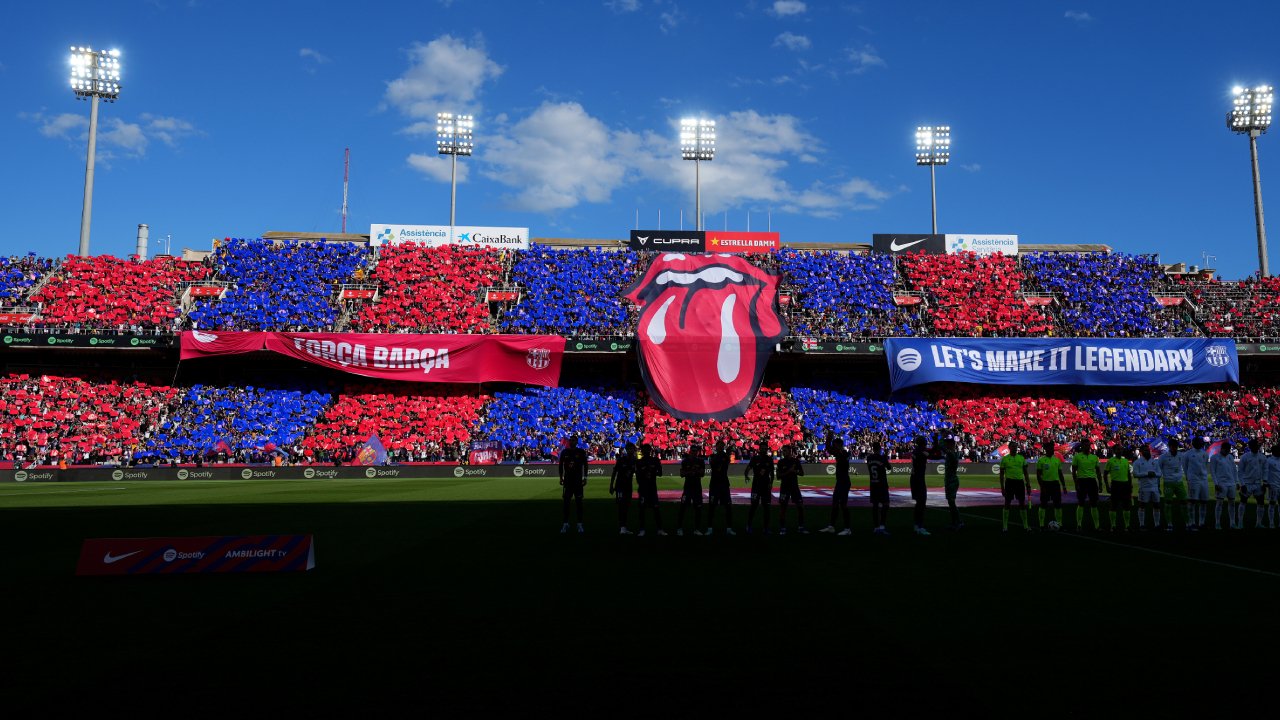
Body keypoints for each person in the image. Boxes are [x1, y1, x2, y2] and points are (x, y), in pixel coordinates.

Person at [820, 437, 853, 535]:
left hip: (844, 482)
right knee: (835, 504)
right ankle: (831, 526)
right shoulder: (843, 453)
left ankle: (847, 529)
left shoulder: (842, 453)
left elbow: (829, 449)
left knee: (843, 505)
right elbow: (830, 449)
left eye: (834, 445)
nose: (833, 447)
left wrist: (828, 437)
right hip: (841, 481)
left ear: (838, 445)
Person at [558, 436, 589, 534]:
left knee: (579, 503)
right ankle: (565, 523)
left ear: (576, 442)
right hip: (567, 482)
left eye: (574, 440)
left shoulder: (581, 452)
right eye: (570, 440)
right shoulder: (564, 452)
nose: (572, 442)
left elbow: (585, 465)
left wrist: (585, 477)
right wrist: (561, 477)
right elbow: (560, 465)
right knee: (566, 503)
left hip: (578, 482)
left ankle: (579, 524)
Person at [1156, 438, 1188, 531]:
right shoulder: (1163, 457)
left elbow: (1185, 466)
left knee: (1184, 502)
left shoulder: (1181, 455)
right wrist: (1158, 485)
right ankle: (1169, 524)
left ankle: (1187, 523)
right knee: (1168, 503)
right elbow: (1158, 471)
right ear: (1169, 447)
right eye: (1172, 446)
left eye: (1175, 447)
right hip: (1168, 483)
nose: (1174, 448)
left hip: (1179, 482)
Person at [1071, 440, 1102, 531]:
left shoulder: (1094, 457)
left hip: (1092, 481)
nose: (1087, 447)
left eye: (1088, 445)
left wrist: (1100, 484)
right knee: (1081, 503)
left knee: (1094, 504)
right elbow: (1073, 471)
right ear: (1082, 446)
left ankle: (1097, 526)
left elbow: (1098, 472)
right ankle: (1079, 525)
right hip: (1082, 481)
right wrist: (1076, 483)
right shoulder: (1077, 457)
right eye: (1085, 445)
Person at [776, 444, 808, 535]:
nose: (783, 452)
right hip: (784, 487)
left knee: (800, 507)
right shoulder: (781, 462)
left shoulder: (795, 461)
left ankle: (801, 527)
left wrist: (794, 471)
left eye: (785, 451)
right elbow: (778, 476)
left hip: (794, 487)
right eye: (783, 451)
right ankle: (782, 528)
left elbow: (802, 473)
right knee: (783, 508)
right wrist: (788, 472)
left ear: (790, 451)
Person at [999, 442, 1030, 533]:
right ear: (1009, 448)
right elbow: (1001, 475)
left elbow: (1026, 473)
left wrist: (1028, 484)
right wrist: (1002, 487)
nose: (1015, 448)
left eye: (1016, 447)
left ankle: (1026, 525)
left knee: (1022, 504)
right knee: (1007, 504)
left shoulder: (1021, 458)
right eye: (1013, 447)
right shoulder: (1005, 459)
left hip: (1020, 483)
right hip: (1009, 483)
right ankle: (1005, 526)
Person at [635, 443, 666, 536]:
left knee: (656, 509)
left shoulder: (655, 460)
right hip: (643, 488)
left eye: (647, 450)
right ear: (642, 451)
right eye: (644, 450)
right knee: (642, 510)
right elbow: (638, 476)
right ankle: (642, 529)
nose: (646, 452)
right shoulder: (639, 462)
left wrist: (652, 472)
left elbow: (660, 473)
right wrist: (645, 473)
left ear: (650, 451)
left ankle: (660, 529)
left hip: (652, 488)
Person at [744, 441, 775, 535]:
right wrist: (746, 475)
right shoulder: (755, 458)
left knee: (767, 508)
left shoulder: (769, 459)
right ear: (759, 449)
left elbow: (772, 473)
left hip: (766, 486)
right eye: (762, 448)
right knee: (753, 506)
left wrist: (771, 483)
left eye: (765, 448)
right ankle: (749, 526)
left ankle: (766, 528)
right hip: (756, 486)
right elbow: (748, 468)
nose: (764, 450)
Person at [705, 439, 735, 536]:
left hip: (724, 484)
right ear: (716, 447)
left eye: (722, 446)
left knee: (728, 507)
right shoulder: (713, 456)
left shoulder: (725, 456)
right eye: (719, 446)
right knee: (712, 507)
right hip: (715, 484)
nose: (721, 447)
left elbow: (726, 463)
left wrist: (725, 455)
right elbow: (714, 466)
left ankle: (729, 528)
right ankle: (709, 528)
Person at [676, 444, 706, 536]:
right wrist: (692, 472)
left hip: (697, 488)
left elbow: (702, 474)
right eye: (693, 451)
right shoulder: (685, 461)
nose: (694, 453)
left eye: (695, 451)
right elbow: (682, 474)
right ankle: (679, 528)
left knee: (698, 509)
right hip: (688, 488)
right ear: (690, 452)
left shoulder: (700, 461)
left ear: (697, 452)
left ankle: (696, 529)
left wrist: (692, 472)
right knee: (683, 508)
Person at [1035, 439, 1065, 531]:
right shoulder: (1041, 460)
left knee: (1058, 505)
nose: (1052, 450)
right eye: (1050, 448)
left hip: (1055, 484)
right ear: (1046, 449)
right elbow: (1038, 475)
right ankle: (1041, 525)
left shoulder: (1057, 460)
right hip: (1045, 484)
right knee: (1043, 504)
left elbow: (1060, 474)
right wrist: (1041, 486)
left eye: (1052, 448)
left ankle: (1060, 524)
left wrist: (1064, 486)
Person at [1183, 437, 1212, 530]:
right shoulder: (1187, 454)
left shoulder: (1205, 454)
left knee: (1204, 501)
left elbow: (1205, 465)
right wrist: (1188, 478)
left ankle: (1201, 523)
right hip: (1193, 480)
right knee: (1192, 501)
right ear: (1193, 443)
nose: (1199, 444)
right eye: (1198, 442)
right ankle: (1191, 522)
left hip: (1203, 480)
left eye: (1200, 442)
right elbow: (1185, 467)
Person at [1238, 438, 1267, 530]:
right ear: (1250, 447)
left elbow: (1265, 470)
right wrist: (1242, 484)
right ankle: (1240, 523)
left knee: (1261, 502)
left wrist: (1264, 483)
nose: (1256, 447)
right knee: (1243, 502)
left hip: (1258, 483)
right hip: (1247, 483)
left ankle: (1258, 523)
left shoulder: (1262, 457)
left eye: (1256, 445)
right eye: (1253, 446)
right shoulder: (1244, 457)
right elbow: (1240, 471)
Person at [609, 441, 637, 535]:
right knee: (621, 506)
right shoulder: (621, 459)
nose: (631, 451)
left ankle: (624, 527)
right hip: (620, 486)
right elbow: (614, 472)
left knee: (626, 506)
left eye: (632, 449)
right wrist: (611, 485)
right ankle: (622, 527)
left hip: (628, 486)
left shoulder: (634, 460)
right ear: (626, 450)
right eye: (629, 449)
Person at [1210, 440, 1239, 530]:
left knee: (1232, 503)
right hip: (1221, 483)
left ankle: (1232, 523)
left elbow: (1234, 470)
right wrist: (1216, 483)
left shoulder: (1230, 457)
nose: (1227, 452)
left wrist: (1237, 482)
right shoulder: (1214, 457)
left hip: (1231, 483)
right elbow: (1212, 471)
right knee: (1219, 503)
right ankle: (1217, 523)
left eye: (1228, 450)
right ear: (1222, 449)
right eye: (1226, 450)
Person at [1104, 446, 1133, 532]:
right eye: (1117, 449)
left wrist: (1130, 485)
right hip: (1115, 485)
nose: (1119, 451)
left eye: (1120, 449)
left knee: (1126, 506)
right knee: (1113, 506)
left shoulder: (1125, 461)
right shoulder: (1110, 461)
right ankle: (1113, 525)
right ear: (1114, 451)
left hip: (1125, 485)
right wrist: (1107, 486)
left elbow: (1128, 474)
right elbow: (1105, 474)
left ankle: (1127, 525)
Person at [1133, 445, 1162, 531]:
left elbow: (1160, 473)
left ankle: (1157, 524)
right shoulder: (1137, 462)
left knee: (1156, 505)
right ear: (1141, 452)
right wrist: (1147, 474)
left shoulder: (1155, 461)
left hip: (1154, 487)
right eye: (1145, 450)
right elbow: (1135, 474)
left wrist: (1154, 474)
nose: (1147, 452)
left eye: (1148, 450)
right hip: (1144, 487)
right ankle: (1142, 524)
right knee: (1142, 505)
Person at [866, 440, 892, 535]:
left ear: (873, 448)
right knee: (885, 504)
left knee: (875, 506)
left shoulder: (869, 458)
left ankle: (876, 527)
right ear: (880, 448)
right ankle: (882, 526)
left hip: (873, 484)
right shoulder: (882, 457)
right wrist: (885, 458)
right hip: (882, 484)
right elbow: (889, 468)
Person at [909, 436, 931, 536]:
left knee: (919, 503)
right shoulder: (921, 451)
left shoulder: (916, 451)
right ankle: (920, 526)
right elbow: (933, 455)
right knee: (921, 503)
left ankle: (917, 525)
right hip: (918, 479)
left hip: (914, 478)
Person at [943, 437, 963, 530]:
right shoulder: (951, 454)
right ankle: (955, 522)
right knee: (951, 503)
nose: (946, 445)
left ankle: (958, 522)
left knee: (951, 502)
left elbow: (944, 449)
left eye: (948, 443)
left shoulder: (952, 454)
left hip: (952, 480)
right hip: (949, 480)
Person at [1267, 444, 1280, 530]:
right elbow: (1265, 472)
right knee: (1272, 504)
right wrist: (1267, 482)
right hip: (1273, 485)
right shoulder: (1269, 461)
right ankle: (1271, 523)